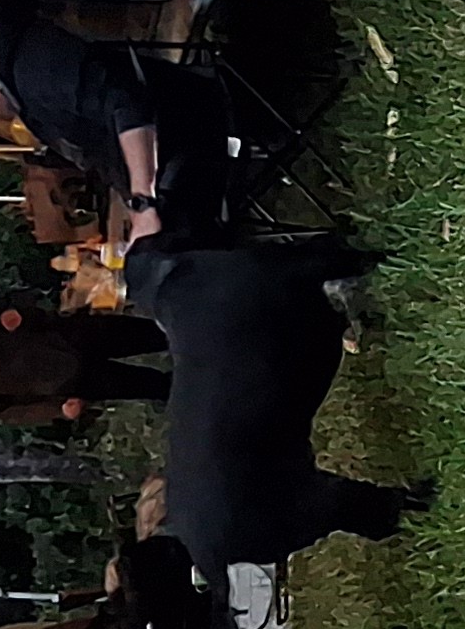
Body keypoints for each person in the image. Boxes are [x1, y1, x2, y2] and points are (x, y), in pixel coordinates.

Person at [130, 235, 430, 571]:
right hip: (292, 303)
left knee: (304, 502)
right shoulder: (199, 281)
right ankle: (403, 510)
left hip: (229, 506)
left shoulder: (184, 306)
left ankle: (403, 511)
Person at [0, 18, 228, 246]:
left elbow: (128, 104)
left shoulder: (36, 69)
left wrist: (143, 203)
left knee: (175, 257)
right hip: (172, 148)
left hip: (191, 124)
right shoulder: (24, 93)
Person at [0, 297, 169, 425]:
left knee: (159, 333)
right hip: (69, 379)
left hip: (75, 335)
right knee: (154, 385)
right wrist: (58, 410)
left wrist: (20, 313)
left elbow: (10, 303)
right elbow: (8, 411)